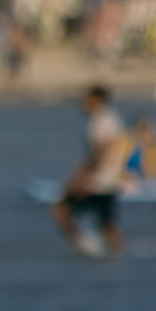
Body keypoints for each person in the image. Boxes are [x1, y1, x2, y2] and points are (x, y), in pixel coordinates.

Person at [51, 86, 130, 258]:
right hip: (111, 180)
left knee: (60, 209)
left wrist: (80, 180)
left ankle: (84, 247)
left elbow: (98, 155)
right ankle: (121, 258)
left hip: (98, 181)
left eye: (87, 100)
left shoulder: (101, 122)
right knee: (108, 224)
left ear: (97, 101)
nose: (83, 104)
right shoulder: (113, 119)